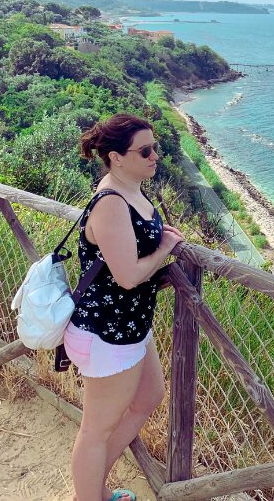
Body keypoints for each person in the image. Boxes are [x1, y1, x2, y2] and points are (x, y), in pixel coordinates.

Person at [65, 113, 185, 501]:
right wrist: (166, 249)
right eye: (146, 150)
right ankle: (89, 495)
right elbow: (128, 276)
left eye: (157, 148)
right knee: (94, 430)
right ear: (116, 157)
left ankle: (93, 485)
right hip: (105, 333)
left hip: (129, 326)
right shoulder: (112, 203)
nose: (155, 156)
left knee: (149, 396)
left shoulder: (132, 187)